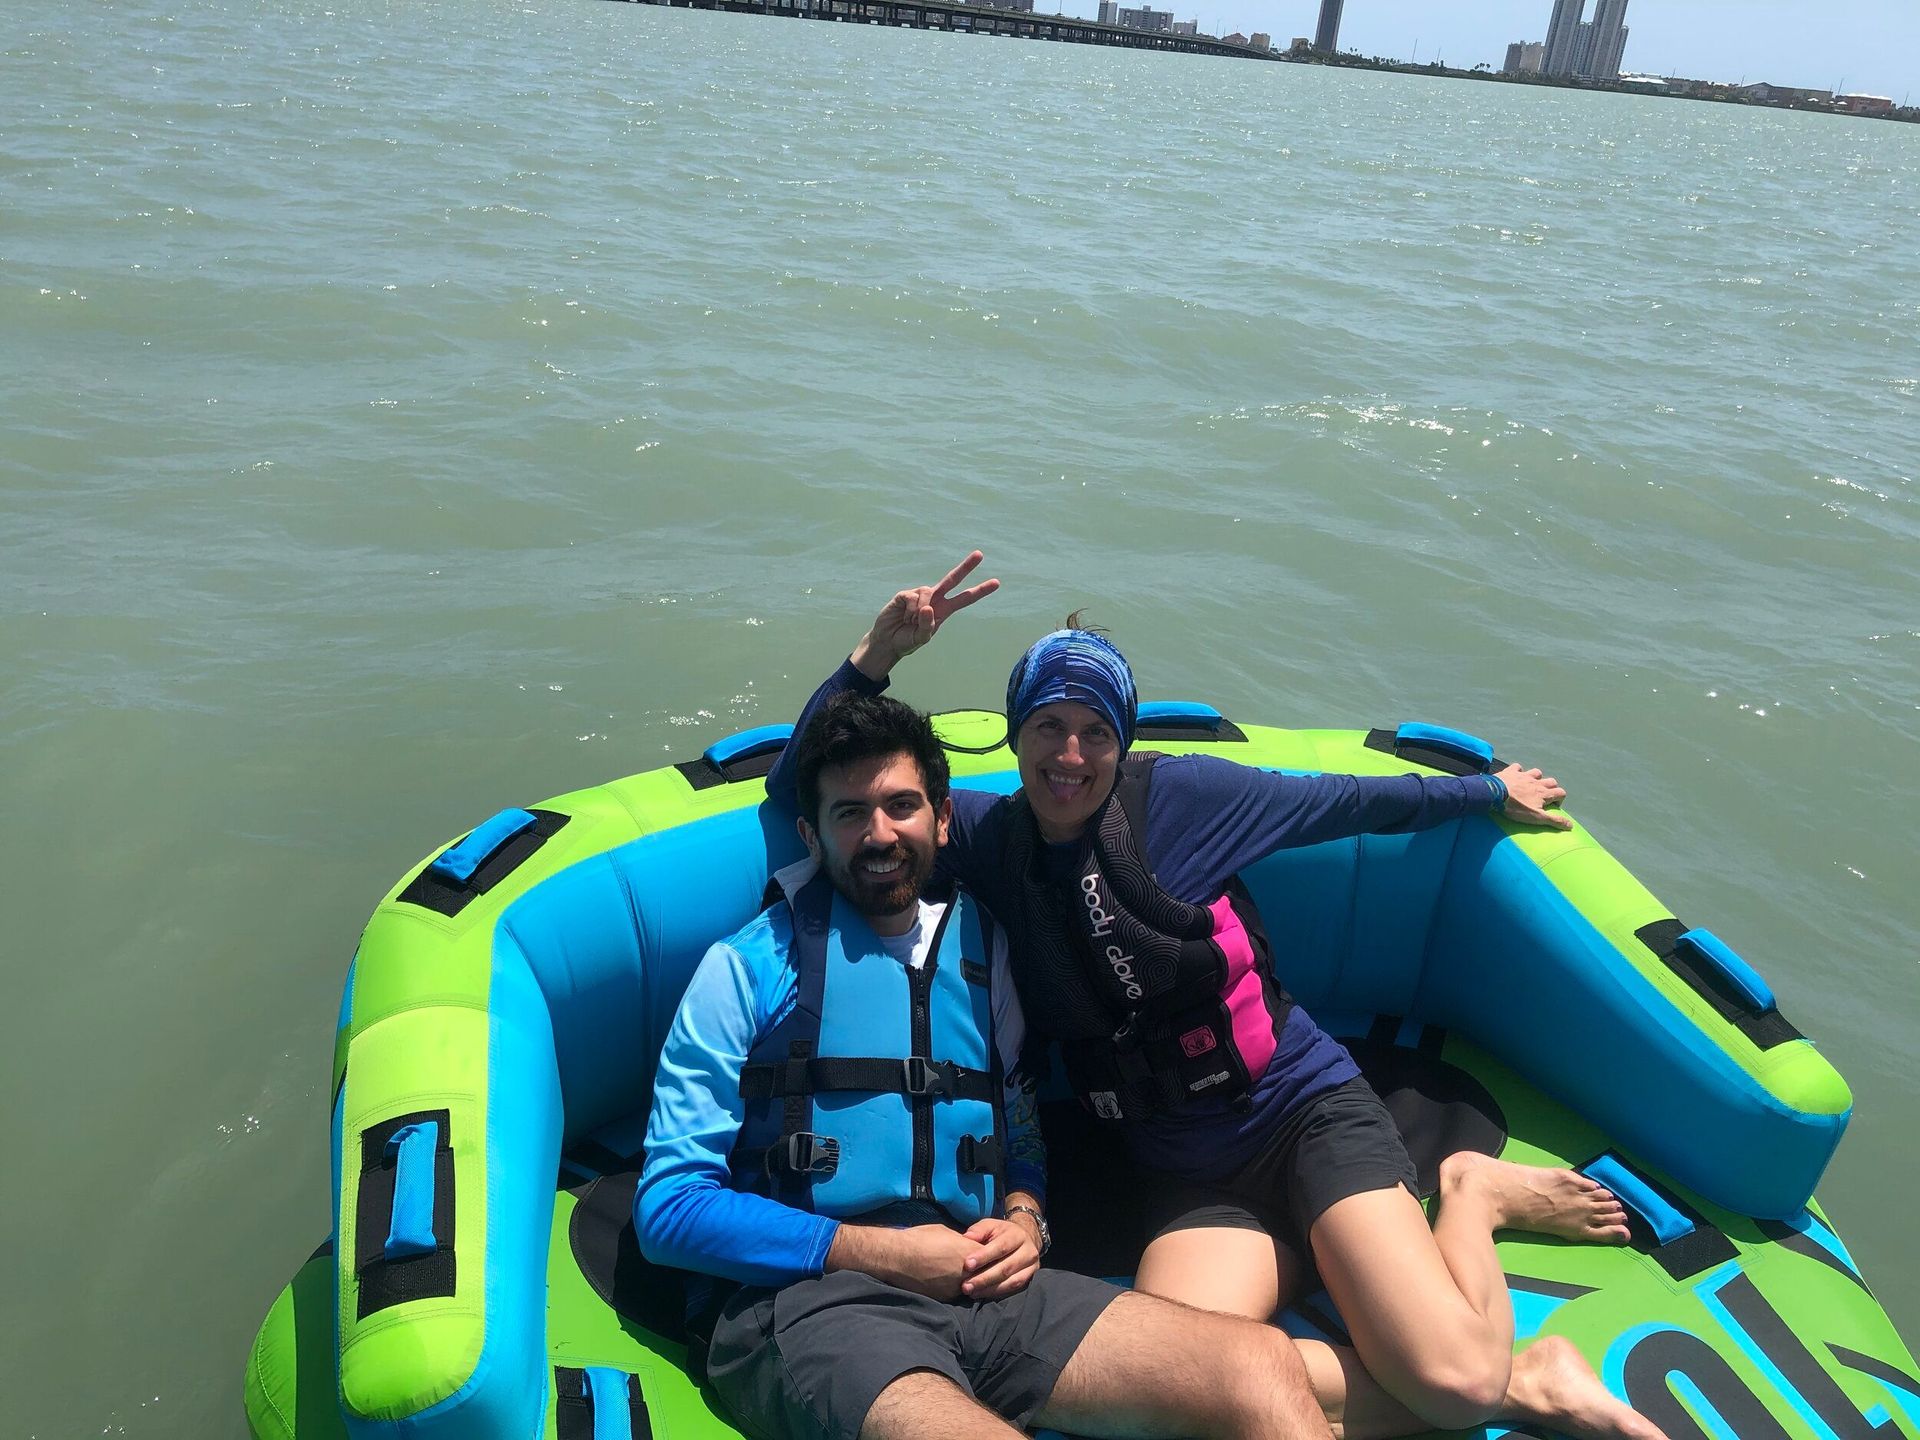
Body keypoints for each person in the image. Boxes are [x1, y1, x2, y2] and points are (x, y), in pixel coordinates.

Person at [763, 552, 1666, 1440]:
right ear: (1015, 731)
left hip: (1302, 1114)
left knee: (1458, 1383)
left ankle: (1471, 1199)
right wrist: (875, 657)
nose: (1069, 755)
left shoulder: (1184, 801)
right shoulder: (987, 840)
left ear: (1123, 739)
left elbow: (1344, 802)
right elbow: (794, 792)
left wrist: (1484, 791)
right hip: (1186, 1175)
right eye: (1046, 726)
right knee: (1184, 1398)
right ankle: (1517, 1378)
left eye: (1095, 731)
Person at [636, 691, 1334, 1440]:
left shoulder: (984, 950)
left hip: (983, 1291)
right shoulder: (745, 970)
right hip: (813, 1303)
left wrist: (1026, 1218)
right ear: (812, 833)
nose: (879, 834)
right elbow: (668, 1209)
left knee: (1259, 1367)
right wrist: (883, 1254)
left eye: (902, 806)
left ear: (942, 818)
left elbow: (1020, 1123)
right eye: (849, 814)